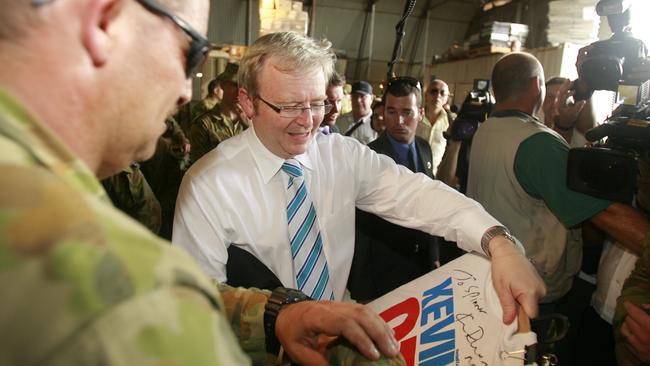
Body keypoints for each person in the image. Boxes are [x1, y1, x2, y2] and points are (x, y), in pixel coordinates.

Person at [0, 1, 404, 365]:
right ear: (104, 21)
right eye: (189, 51)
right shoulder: (123, 299)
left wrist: (274, 315)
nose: (185, 90)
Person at [173, 31, 545, 325]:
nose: (307, 121)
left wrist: (499, 242)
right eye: (288, 107)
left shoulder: (341, 156)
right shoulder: (208, 186)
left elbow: (418, 196)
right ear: (247, 102)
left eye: (317, 103)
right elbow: (197, 306)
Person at [466, 52, 649, 361]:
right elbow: (603, 212)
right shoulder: (537, 143)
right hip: (534, 291)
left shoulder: (487, 130)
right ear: (537, 85)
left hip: (495, 279)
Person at [347, 77, 439, 301]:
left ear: (421, 113)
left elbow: (432, 201)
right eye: (391, 111)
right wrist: (364, 291)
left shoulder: (425, 149)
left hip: (422, 267)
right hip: (384, 272)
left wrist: (435, 254)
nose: (399, 120)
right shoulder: (369, 157)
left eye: (407, 112)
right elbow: (361, 228)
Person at [189, 62, 249, 163]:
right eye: (235, 85)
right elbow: (198, 167)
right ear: (222, 85)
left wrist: (249, 127)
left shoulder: (252, 123)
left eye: (245, 87)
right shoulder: (204, 124)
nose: (240, 91)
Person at [416, 79, 455, 176]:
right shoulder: (414, 117)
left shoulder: (451, 122)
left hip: (436, 177)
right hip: (413, 173)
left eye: (442, 93)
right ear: (426, 95)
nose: (438, 96)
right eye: (434, 91)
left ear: (446, 99)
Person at [337, 80, 377, 144]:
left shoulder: (377, 124)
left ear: (371, 98)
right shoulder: (340, 120)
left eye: (363, 96)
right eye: (355, 96)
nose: (358, 100)